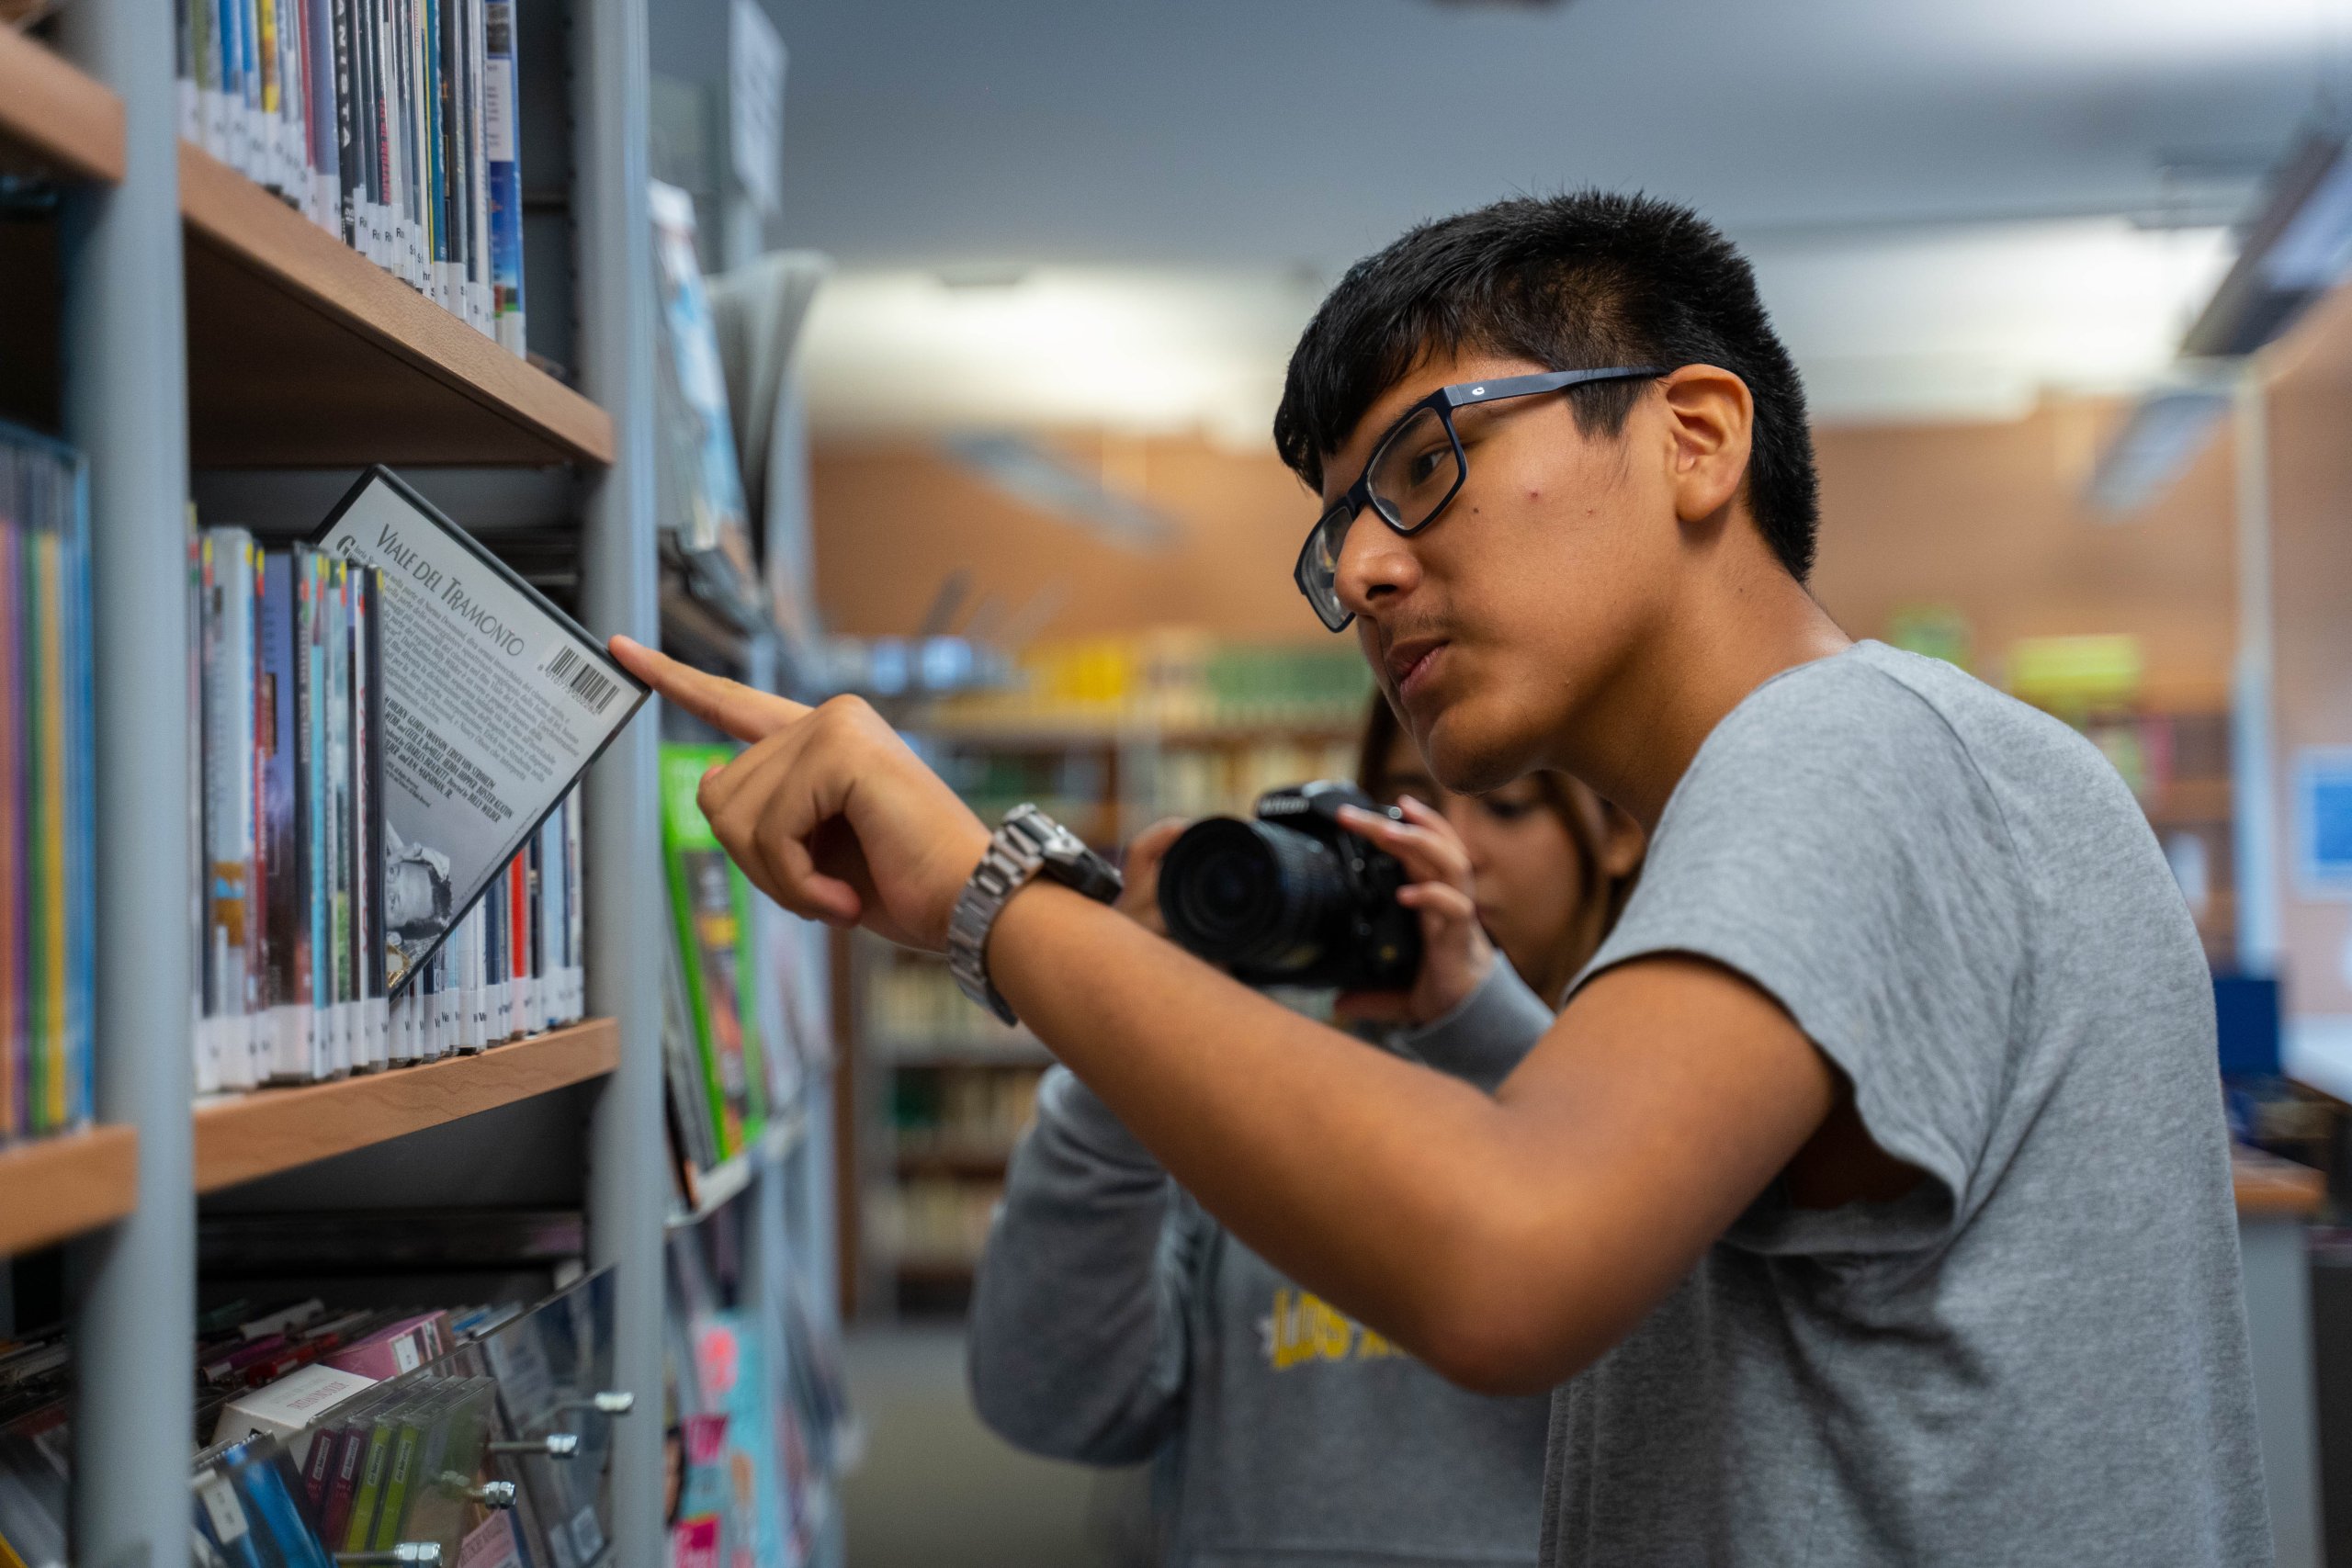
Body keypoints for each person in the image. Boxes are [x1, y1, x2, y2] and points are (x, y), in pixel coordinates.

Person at [614, 190, 2269, 1565]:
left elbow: (1509, 1258)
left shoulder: (1844, 744)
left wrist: (995, 895)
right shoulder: (1892, 772)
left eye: (1421, 466)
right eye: (1338, 533)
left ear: (1692, 436)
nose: (1368, 567)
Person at [963, 702, 1642, 1567]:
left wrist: (1484, 1026)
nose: (1452, 847)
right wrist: (1122, 1042)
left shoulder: (1673, 1099)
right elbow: (1055, 1400)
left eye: (1505, 806)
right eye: (1402, 806)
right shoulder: (1273, 1081)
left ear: (1613, 834)